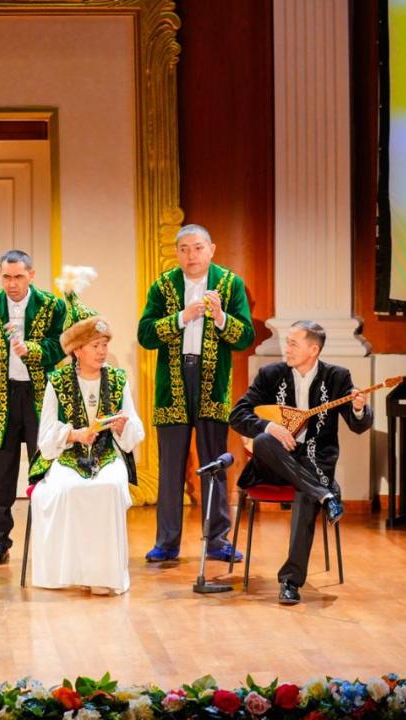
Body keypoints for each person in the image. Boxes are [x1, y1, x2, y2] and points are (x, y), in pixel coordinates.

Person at [229, 320, 372, 605]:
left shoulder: (337, 377)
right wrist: (270, 427)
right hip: (274, 463)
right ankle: (325, 496)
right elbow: (237, 415)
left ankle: (291, 582)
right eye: (288, 342)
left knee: (305, 493)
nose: (288, 348)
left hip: (312, 464)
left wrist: (359, 408)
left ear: (313, 349)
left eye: (294, 343)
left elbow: (358, 426)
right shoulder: (270, 375)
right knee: (264, 441)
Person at [137, 223, 255, 563]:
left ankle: (217, 540)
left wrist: (220, 317)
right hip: (171, 387)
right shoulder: (163, 286)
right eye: (185, 249)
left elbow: (245, 337)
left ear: (211, 250)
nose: (192, 255)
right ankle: (167, 542)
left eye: (198, 248)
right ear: (177, 253)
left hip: (211, 384)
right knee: (170, 467)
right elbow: (145, 334)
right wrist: (181, 317)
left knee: (214, 462)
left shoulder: (230, 284)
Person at [28, 309, 145, 594]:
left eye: (105, 345)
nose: (102, 351)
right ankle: (71, 572)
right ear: (77, 350)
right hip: (67, 455)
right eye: (95, 346)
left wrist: (121, 427)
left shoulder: (117, 379)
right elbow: (46, 434)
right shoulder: (57, 381)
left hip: (107, 454)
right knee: (67, 490)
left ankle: (103, 576)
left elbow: (133, 427)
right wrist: (75, 434)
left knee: (108, 487)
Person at [0, 249, 67, 565]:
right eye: (7, 277)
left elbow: (60, 347)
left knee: (45, 470)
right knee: (2, 475)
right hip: (3, 397)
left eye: (19, 277)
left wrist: (31, 349)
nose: (12, 284)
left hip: (40, 398)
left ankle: (47, 539)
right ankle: (0, 541)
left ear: (31, 275)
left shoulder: (52, 305)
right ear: (0, 275)